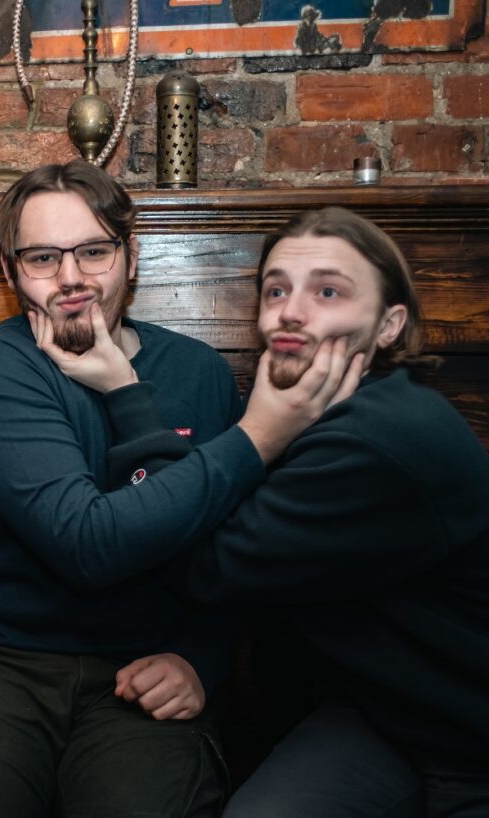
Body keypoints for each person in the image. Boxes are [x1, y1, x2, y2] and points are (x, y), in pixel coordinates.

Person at [0, 161, 357, 818]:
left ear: (131, 258)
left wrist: (202, 657)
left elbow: (226, 545)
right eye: (44, 257)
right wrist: (260, 435)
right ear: (10, 270)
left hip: (148, 661)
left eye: (94, 251)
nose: (72, 277)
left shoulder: (197, 370)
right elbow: (86, 542)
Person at [62, 207, 489, 817]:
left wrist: (128, 396)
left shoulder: (380, 436)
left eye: (329, 291)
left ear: (389, 325)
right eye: (277, 290)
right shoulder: (310, 415)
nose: (291, 310)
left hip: (470, 743)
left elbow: (202, 565)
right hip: (382, 717)